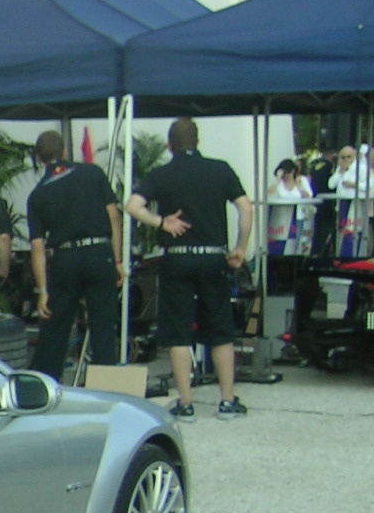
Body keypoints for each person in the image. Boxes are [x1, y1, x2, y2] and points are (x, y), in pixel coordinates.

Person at [126, 117, 253, 421]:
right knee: (221, 328)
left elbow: (132, 205)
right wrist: (240, 248)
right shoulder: (220, 169)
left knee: (178, 330)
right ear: (198, 142)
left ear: (169, 145)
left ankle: (186, 403)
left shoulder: (161, 174)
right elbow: (246, 208)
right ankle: (226, 400)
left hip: (177, 257)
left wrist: (161, 222)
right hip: (213, 258)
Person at [26, 129, 123, 379]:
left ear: (39, 158)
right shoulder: (93, 173)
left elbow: (37, 247)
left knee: (56, 329)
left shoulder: (38, 194)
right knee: (103, 326)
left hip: (65, 259)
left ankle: (46, 385)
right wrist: (118, 260)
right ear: (65, 151)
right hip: (99, 253)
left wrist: (43, 291)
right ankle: (105, 390)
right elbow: (114, 216)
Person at [328, 144, 371, 258]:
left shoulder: (361, 168)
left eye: (348, 157)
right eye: (343, 157)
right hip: (342, 202)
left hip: (356, 203)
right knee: (342, 230)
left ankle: (353, 256)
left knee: (354, 230)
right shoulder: (340, 168)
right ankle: (342, 256)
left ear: (354, 156)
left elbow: (369, 185)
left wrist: (354, 185)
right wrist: (339, 172)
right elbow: (331, 184)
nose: (346, 160)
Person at [266, 158, 313, 256]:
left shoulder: (301, 180)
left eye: (287, 172)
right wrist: (278, 179)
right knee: (281, 245)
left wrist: (299, 186)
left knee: (296, 242)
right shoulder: (279, 184)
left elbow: (308, 196)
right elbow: (269, 193)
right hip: (282, 219)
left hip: (298, 216)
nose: (285, 175)